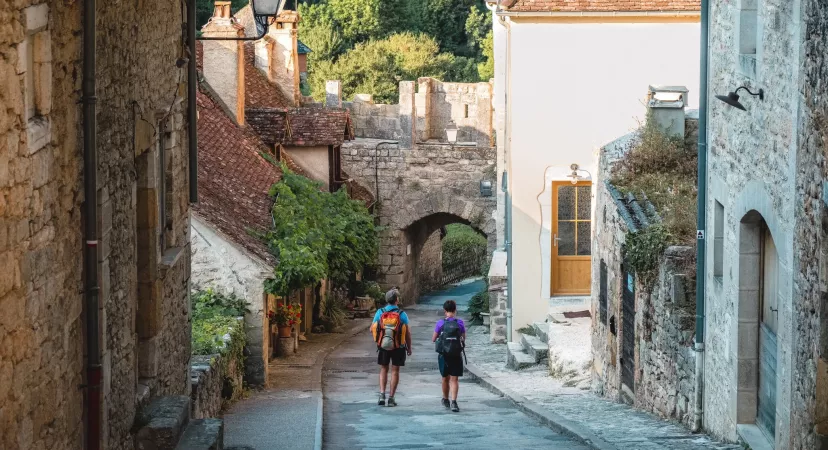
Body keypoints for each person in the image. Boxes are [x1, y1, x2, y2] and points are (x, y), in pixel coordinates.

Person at [370, 288, 412, 407]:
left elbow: (371, 328)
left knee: (384, 369)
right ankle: (391, 398)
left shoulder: (380, 312)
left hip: (383, 345)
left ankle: (382, 394)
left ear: (387, 300)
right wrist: (409, 348)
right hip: (398, 346)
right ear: (397, 300)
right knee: (395, 371)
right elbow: (407, 333)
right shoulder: (402, 314)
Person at [432, 300, 465, 412]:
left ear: (445, 311)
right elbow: (463, 338)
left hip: (444, 354)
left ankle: (445, 399)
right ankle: (454, 402)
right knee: (454, 379)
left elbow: (433, 339)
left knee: (445, 378)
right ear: (455, 310)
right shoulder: (460, 323)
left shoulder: (440, 323)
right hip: (456, 354)